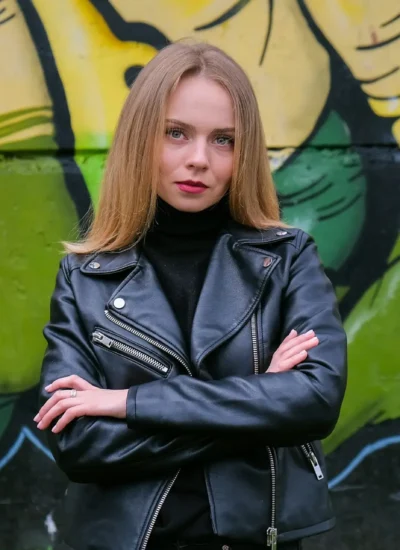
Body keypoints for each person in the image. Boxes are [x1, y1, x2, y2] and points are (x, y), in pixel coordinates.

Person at [35, 41, 347, 550]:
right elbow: (79, 442)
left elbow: (314, 400)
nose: (199, 159)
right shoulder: (85, 276)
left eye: (223, 139)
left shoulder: (288, 259)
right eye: (175, 134)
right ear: (141, 139)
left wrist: (126, 402)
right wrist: (259, 396)